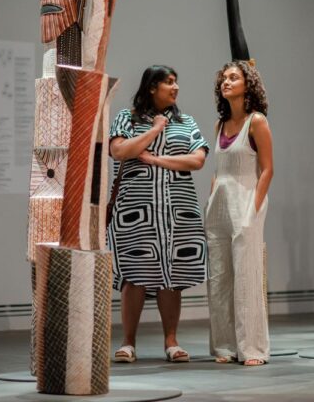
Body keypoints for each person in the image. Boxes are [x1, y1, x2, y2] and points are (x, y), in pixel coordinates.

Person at [108, 65, 209, 363]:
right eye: (168, 82)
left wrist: (155, 159)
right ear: (152, 87)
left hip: (178, 211)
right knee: (134, 274)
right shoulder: (127, 118)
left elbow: (197, 159)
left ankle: (171, 341)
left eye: (176, 82)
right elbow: (120, 151)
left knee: (171, 275)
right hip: (135, 211)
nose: (175, 87)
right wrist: (154, 129)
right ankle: (128, 343)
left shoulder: (186, 121)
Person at [205, 60, 273, 366]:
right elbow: (218, 170)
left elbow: (268, 170)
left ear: (248, 84)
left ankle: (253, 348)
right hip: (219, 203)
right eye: (224, 78)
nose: (226, 82)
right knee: (219, 277)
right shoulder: (220, 125)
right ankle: (225, 346)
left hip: (247, 200)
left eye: (234, 77)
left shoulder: (256, 121)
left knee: (247, 276)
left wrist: (254, 209)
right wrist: (210, 202)